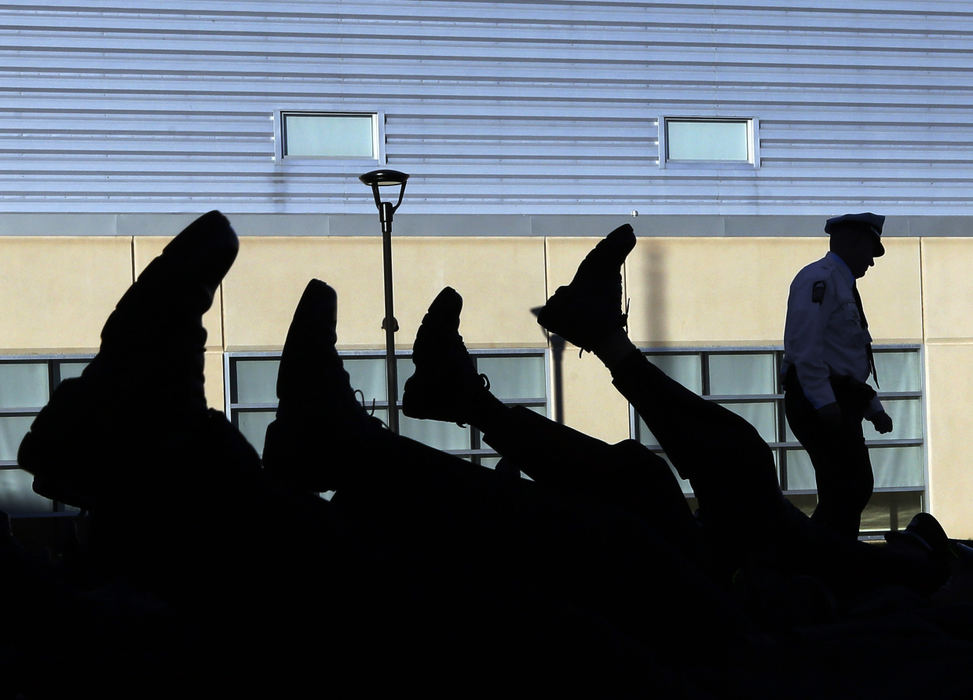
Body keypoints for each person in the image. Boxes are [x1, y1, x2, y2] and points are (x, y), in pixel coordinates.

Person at [781, 212, 894, 540]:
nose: (871, 263)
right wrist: (824, 403)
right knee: (848, 489)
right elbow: (806, 347)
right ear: (852, 242)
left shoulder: (841, 285)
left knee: (852, 489)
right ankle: (821, 561)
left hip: (838, 399)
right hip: (820, 401)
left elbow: (843, 358)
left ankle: (829, 559)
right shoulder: (819, 279)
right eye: (869, 251)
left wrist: (871, 407)